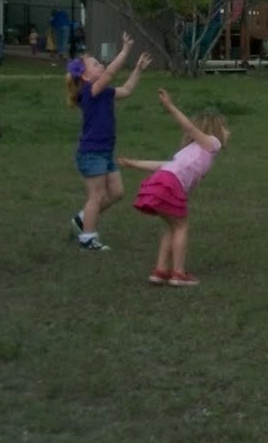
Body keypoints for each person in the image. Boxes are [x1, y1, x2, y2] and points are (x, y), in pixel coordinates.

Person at [117, 89, 228, 286]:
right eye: (225, 128)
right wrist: (170, 107)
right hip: (169, 184)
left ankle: (160, 271)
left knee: (171, 227)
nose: (228, 132)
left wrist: (134, 163)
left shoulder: (189, 152)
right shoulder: (213, 143)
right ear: (215, 131)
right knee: (182, 226)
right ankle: (178, 273)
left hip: (161, 181)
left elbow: (163, 166)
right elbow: (190, 129)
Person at [67, 35, 152, 251]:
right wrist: (124, 51)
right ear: (85, 76)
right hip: (91, 152)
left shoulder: (104, 92)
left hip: (105, 151)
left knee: (117, 192)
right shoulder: (90, 91)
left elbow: (127, 90)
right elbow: (110, 73)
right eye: (96, 64)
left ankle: (82, 219)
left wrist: (138, 70)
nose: (101, 66)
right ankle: (87, 238)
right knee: (96, 196)